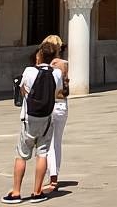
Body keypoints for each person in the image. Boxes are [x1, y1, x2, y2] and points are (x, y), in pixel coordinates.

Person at [3, 41, 63, 204]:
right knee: (42, 154)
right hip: (46, 119)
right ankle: (37, 192)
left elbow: (22, 88)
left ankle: (16, 192)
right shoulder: (56, 73)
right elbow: (57, 90)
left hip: (29, 118)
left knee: (21, 155)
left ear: (40, 55)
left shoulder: (29, 71)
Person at [40, 35, 70, 196]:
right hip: (62, 106)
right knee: (56, 142)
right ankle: (53, 175)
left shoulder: (45, 66)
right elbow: (65, 89)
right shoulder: (64, 64)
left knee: (47, 143)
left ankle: (51, 177)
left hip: (49, 106)